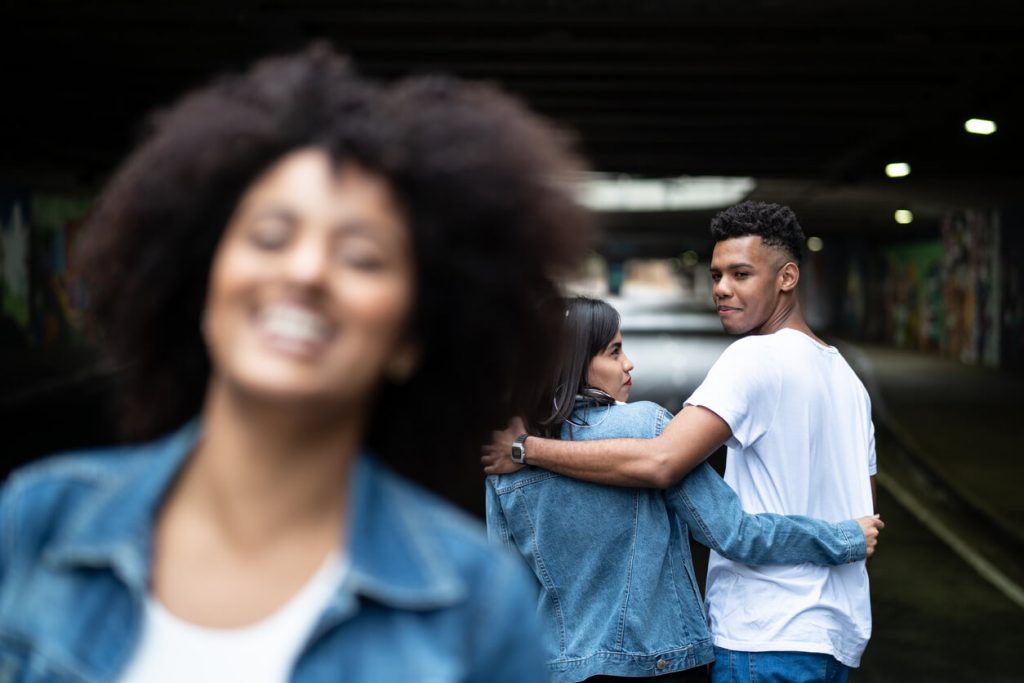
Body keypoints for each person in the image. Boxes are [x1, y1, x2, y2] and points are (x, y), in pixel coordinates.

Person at [0, 45, 592, 682]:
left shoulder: (477, 608)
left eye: (362, 256)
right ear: (202, 281)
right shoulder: (41, 518)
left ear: (412, 335)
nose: (306, 272)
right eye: (271, 236)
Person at [484, 202, 879, 683]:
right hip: (835, 634)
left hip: (762, 631)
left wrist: (526, 449)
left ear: (787, 277)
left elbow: (662, 460)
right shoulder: (849, 381)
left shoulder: (752, 358)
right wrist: (845, 540)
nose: (721, 290)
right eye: (716, 275)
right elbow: (862, 516)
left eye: (740, 274)